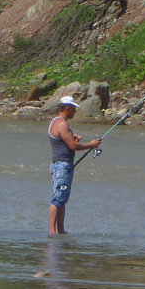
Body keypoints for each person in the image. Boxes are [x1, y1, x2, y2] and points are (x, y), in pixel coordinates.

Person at [47, 96, 100, 235]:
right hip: (62, 167)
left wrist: (72, 136)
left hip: (61, 166)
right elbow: (73, 145)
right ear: (67, 108)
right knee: (57, 198)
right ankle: (52, 231)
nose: (75, 112)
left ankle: (61, 231)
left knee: (62, 199)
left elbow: (66, 140)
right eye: (74, 109)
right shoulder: (62, 124)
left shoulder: (56, 122)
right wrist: (91, 145)